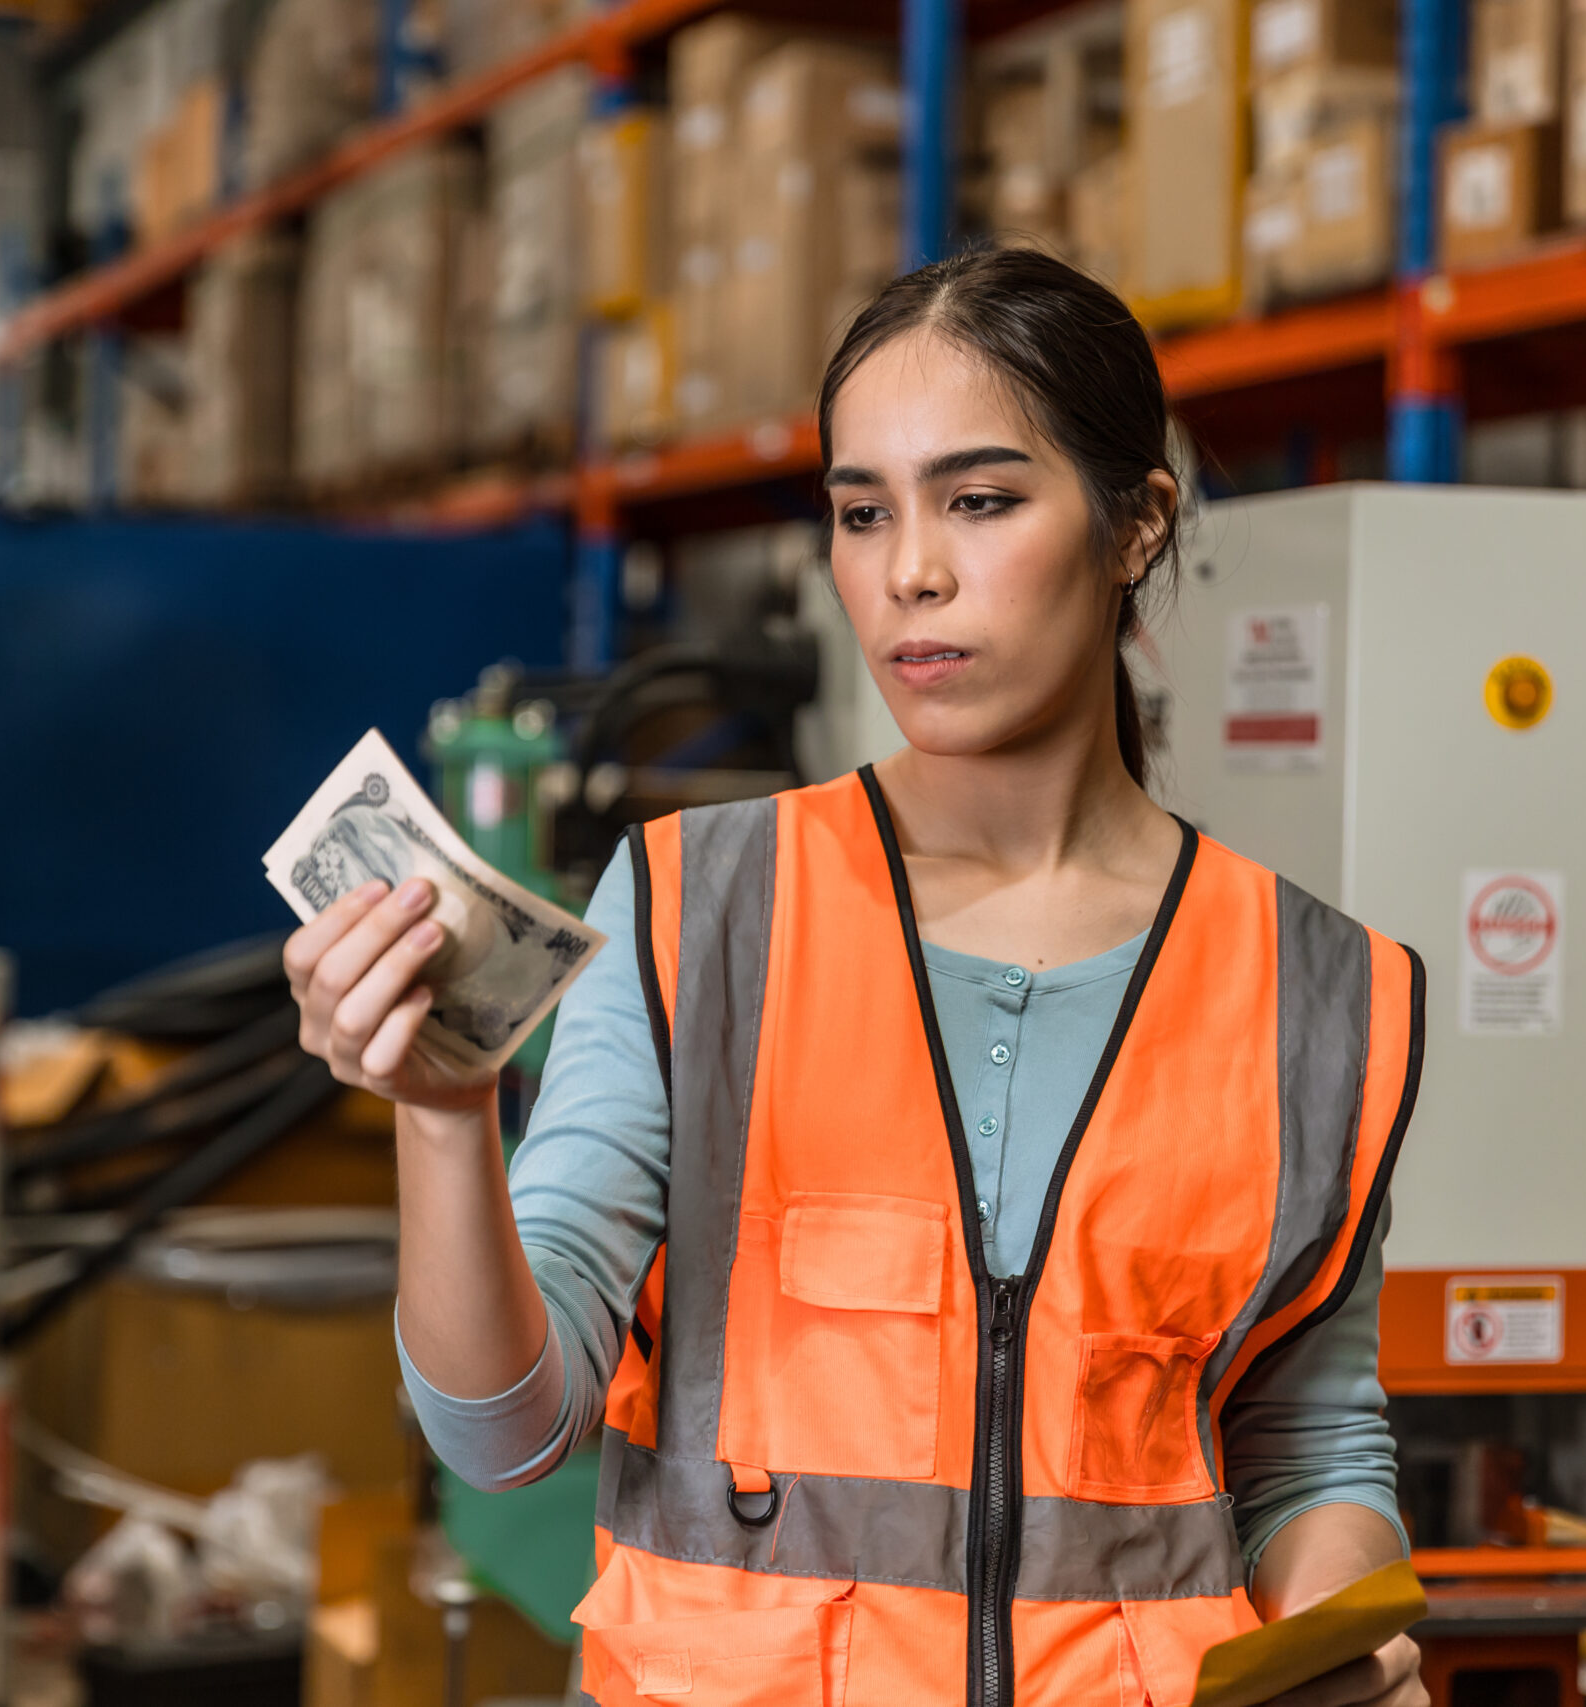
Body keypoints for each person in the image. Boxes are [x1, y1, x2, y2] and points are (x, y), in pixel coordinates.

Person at [286, 244, 1428, 1707]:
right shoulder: (703, 911)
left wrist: (1347, 1637)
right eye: (860, 513)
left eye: (982, 500)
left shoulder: (1322, 991)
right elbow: (508, 1430)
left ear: (1138, 524)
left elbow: (1309, 1445)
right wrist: (443, 1118)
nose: (910, 574)